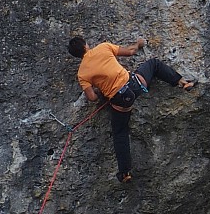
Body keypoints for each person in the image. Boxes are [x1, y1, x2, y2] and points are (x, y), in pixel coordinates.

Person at [67, 36, 195, 182]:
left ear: (77, 55)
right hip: (134, 84)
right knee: (154, 64)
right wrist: (138, 44)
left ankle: (125, 172)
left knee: (120, 132)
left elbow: (92, 98)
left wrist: (101, 90)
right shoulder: (103, 48)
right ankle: (183, 82)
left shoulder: (82, 73)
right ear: (86, 45)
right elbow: (129, 51)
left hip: (120, 101)